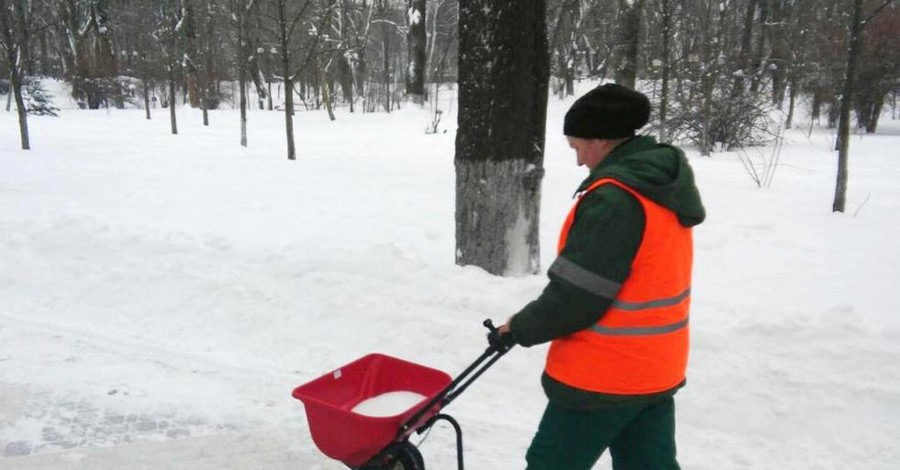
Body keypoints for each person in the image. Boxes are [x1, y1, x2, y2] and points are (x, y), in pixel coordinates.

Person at [496, 83, 705, 469]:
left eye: (577, 147)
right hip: (656, 368)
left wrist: (519, 328)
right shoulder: (660, 186)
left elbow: (577, 296)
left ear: (601, 140)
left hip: (604, 375)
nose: (578, 162)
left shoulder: (616, 199)